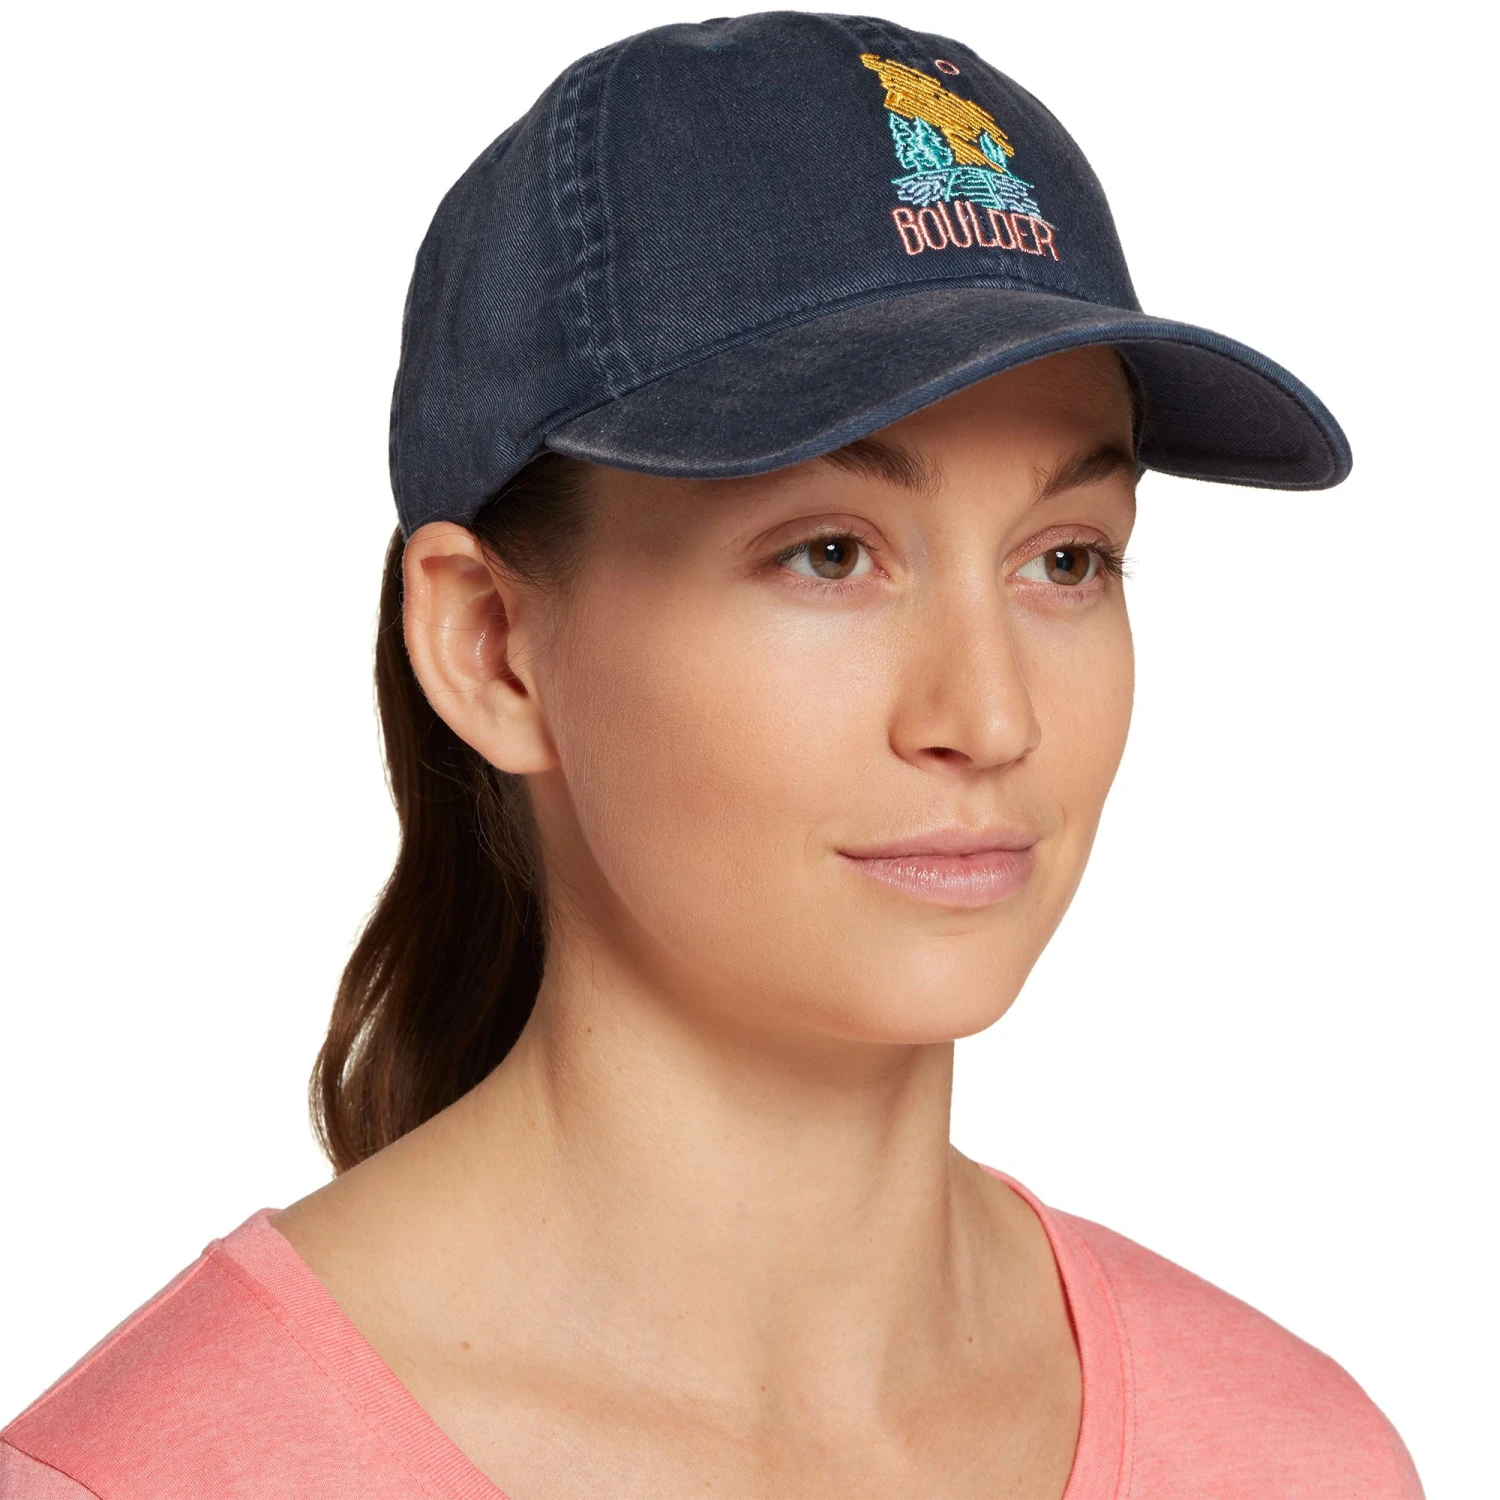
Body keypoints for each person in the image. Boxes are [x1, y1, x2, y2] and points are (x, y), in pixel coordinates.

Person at [0, 12, 1424, 1498]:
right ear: (490, 647)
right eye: (829, 553)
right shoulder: (153, 1478)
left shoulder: (1295, 1456)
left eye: (1066, 559)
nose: (992, 718)